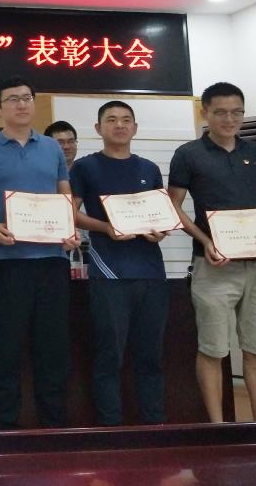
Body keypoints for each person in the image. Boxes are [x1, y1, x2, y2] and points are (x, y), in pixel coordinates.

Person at [168, 81, 256, 423]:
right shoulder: (188, 154)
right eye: (220, 112)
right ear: (205, 112)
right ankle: (219, 428)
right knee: (213, 349)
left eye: (237, 112)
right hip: (213, 265)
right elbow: (173, 205)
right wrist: (205, 241)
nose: (229, 119)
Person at [0, 76, 77, 429]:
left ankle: (53, 428)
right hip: (6, 263)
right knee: (6, 348)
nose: (22, 104)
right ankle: (7, 429)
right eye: (13, 99)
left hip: (52, 262)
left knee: (53, 348)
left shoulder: (51, 148)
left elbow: (64, 194)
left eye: (27, 97)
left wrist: (68, 228)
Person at [70, 101, 169, 426]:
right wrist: (105, 228)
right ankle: (111, 429)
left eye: (126, 120)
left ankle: (154, 426)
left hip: (151, 273)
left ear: (135, 128)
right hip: (109, 272)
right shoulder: (85, 167)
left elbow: (160, 216)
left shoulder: (149, 169)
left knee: (151, 356)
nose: (119, 125)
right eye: (111, 120)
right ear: (98, 128)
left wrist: (160, 231)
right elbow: (70, 213)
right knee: (109, 356)